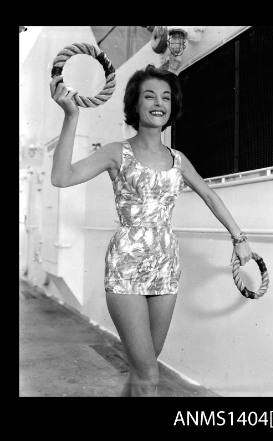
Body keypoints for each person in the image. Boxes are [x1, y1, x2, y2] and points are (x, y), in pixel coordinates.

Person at [50, 64, 252, 397]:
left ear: (172, 106)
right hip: (126, 266)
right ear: (135, 103)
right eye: (149, 95)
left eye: (166, 96)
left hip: (166, 265)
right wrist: (71, 116)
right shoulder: (116, 152)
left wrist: (239, 239)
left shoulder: (178, 158)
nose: (158, 102)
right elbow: (62, 177)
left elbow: (210, 195)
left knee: (145, 370)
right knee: (148, 376)